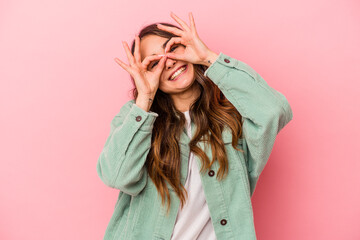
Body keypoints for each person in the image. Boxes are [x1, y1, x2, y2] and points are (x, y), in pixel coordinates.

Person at [97, 12, 293, 240]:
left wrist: (209, 58)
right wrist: (144, 99)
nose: (168, 61)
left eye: (172, 48)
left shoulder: (232, 117)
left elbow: (273, 111)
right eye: (153, 62)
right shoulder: (135, 117)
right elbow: (116, 176)